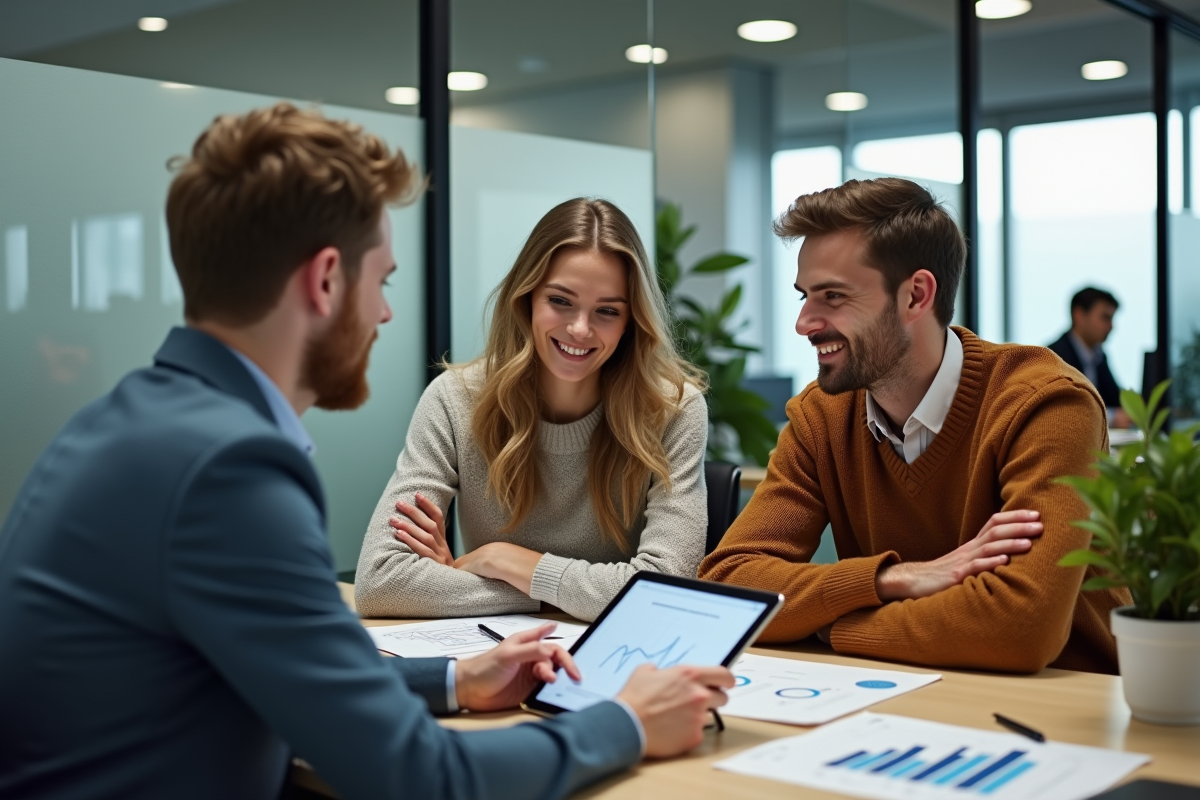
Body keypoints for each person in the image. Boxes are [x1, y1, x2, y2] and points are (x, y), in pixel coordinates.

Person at [0, 104, 733, 800]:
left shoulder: (125, 426)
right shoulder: (228, 471)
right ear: (325, 280)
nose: (385, 312)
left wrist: (456, 680)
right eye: (380, 280)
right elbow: (423, 779)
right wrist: (627, 723)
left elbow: (284, 670)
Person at [699, 178, 1129, 675]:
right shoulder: (821, 416)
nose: (804, 323)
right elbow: (730, 583)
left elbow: (1019, 627)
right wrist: (892, 580)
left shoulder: (1045, 404)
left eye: (833, 296)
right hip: (899, 693)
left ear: (916, 296)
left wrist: (832, 626)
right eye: (804, 297)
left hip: (1066, 711)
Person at [354, 198, 709, 623]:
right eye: (560, 301)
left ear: (632, 321)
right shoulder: (455, 400)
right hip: (494, 659)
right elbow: (380, 582)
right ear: (526, 298)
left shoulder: (673, 409)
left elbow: (663, 591)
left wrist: (504, 562)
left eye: (608, 311)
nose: (580, 328)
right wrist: (541, 594)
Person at [1047, 287, 1132, 428]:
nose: (1111, 326)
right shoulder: (1054, 356)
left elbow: (1116, 399)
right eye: (1105, 317)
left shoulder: (1099, 356)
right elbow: (1064, 411)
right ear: (1079, 315)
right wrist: (1111, 418)